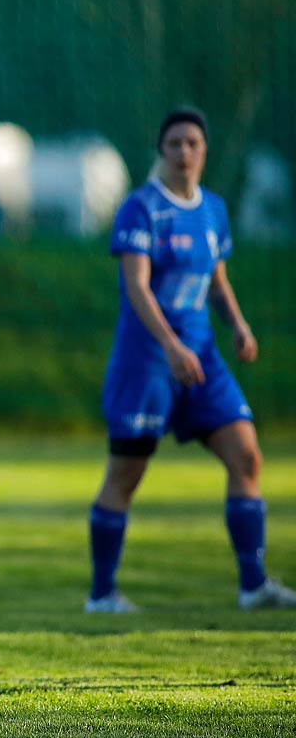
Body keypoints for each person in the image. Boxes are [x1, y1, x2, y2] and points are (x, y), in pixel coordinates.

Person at [85, 106, 294, 613]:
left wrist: (238, 324)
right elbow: (136, 286)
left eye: (193, 143)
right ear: (161, 151)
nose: (184, 152)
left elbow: (216, 280)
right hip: (147, 362)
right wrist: (170, 346)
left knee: (246, 457)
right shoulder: (141, 208)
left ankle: (254, 585)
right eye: (174, 143)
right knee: (126, 474)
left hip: (201, 357)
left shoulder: (213, 210)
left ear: (205, 151)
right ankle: (102, 594)